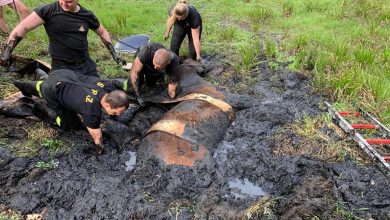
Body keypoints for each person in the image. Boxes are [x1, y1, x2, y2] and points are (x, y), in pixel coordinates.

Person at [13, 69, 130, 154]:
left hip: (64, 74)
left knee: (48, 83)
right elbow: (96, 134)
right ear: (107, 104)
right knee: (70, 124)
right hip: (53, 88)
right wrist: (100, 149)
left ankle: (39, 75)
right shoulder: (91, 110)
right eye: (116, 112)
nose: (118, 115)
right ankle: (43, 106)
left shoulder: (109, 87)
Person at [1, 0, 125, 76]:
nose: (65, 3)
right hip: (61, 66)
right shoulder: (48, 11)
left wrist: (114, 54)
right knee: (67, 96)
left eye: (69, 1)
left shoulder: (87, 15)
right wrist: (7, 52)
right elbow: (23, 27)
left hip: (85, 64)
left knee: (97, 92)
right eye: (62, 0)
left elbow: (102, 32)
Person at [115, 42, 180, 105]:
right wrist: (137, 94)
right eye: (155, 64)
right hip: (143, 61)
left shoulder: (174, 63)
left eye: (158, 66)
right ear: (154, 56)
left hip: (157, 66)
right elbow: (134, 72)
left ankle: (152, 78)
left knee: (151, 83)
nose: (155, 67)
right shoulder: (147, 50)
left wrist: (171, 99)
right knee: (135, 84)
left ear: (167, 63)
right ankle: (126, 85)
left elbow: (172, 88)